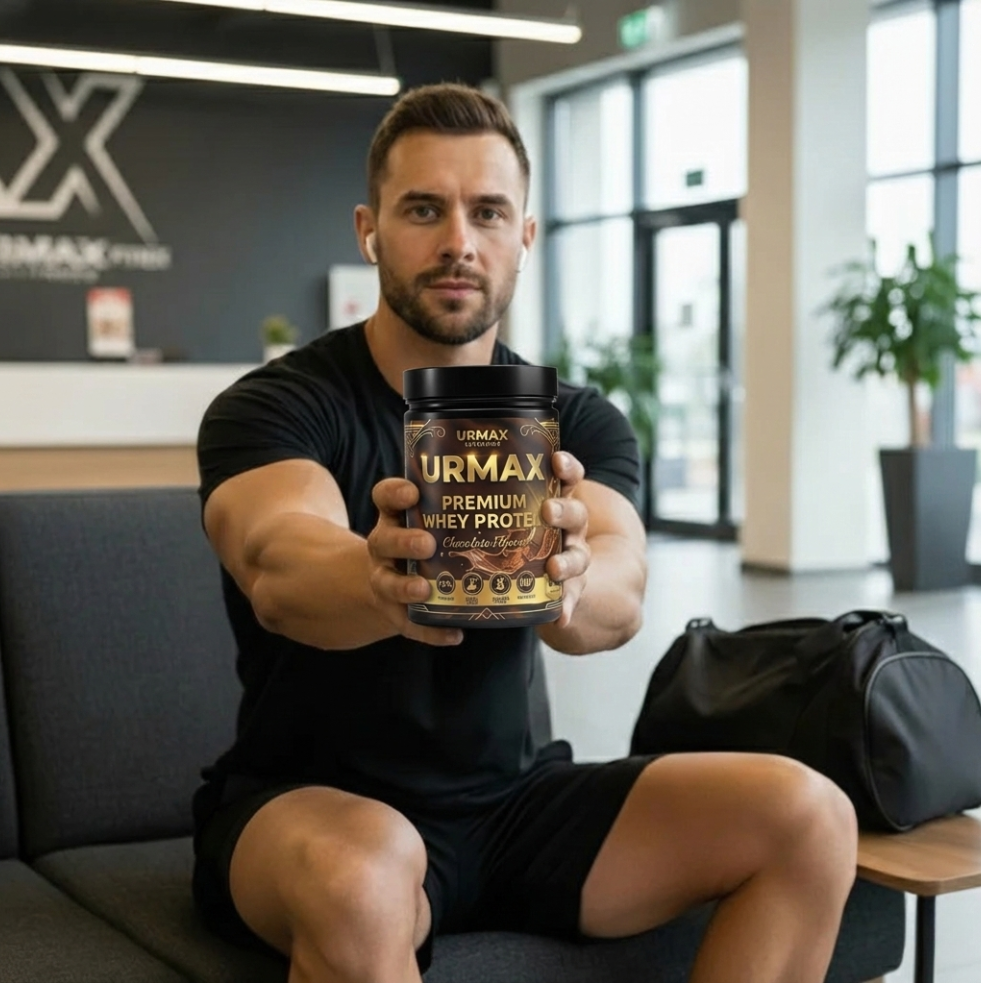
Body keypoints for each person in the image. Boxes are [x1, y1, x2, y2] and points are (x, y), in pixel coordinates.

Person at [192, 82, 858, 983]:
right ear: (369, 230)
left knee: (808, 815)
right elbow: (278, 561)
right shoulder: (280, 404)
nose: (458, 241)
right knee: (363, 873)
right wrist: (382, 581)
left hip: (513, 804)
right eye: (423, 209)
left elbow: (617, 589)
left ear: (525, 236)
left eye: (487, 211)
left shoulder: (573, 420)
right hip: (311, 808)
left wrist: (572, 574)